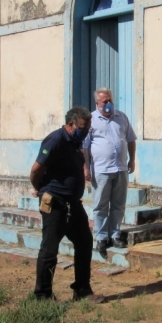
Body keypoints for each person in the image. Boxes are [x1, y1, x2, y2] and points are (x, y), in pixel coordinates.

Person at [29, 106, 104, 303]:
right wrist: (40, 189)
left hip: (73, 205)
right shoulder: (56, 140)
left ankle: (82, 290)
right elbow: (36, 170)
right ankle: (43, 296)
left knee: (84, 242)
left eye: (88, 128)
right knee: (49, 248)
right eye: (82, 127)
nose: (85, 131)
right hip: (55, 203)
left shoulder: (76, 142)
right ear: (71, 125)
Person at [83, 87, 137, 257]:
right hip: (101, 169)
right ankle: (101, 237)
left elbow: (130, 139)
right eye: (105, 101)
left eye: (110, 100)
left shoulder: (121, 117)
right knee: (100, 205)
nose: (108, 104)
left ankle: (115, 234)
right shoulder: (90, 120)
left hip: (120, 168)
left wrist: (132, 159)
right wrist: (85, 167)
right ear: (97, 103)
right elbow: (84, 146)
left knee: (118, 204)